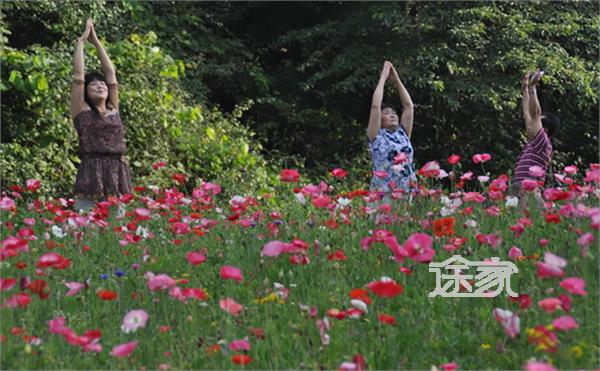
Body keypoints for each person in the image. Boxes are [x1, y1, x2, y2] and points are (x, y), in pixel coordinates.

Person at [71, 19, 132, 211]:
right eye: (94, 84)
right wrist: (81, 42)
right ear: (86, 92)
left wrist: (96, 42)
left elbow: (111, 74)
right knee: (85, 224)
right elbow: (78, 77)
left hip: (116, 171)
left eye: (102, 84)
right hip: (91, 170)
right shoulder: (82, 111)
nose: (100, 85)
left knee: (117, 227)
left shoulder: (113, 108)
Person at [367, 61, 416, 200]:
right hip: (383, 192)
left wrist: (396, 80)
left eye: (394, 112)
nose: (393, 114)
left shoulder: (403, 134)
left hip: (406, 191)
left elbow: (409, 107)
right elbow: (375, 106)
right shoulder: (376, 136)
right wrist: (383, 76)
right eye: (387, 113)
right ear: (379, 119)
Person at [511, 70, 560, 200]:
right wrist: (525, 90)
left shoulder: (542, 142)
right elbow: (527, 113)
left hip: (530, 190)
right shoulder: (533, 141)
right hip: (520, 187)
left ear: (545, 129)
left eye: (536, 123)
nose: (530, 124)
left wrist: (533, 88)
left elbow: (535, 114)